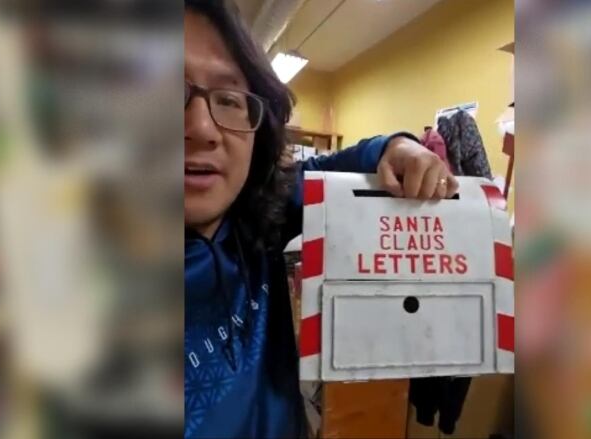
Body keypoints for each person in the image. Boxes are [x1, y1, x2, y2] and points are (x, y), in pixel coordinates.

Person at [184, 0, 458, 437]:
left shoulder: (262, 212)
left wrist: (398, 147)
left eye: (229, 99)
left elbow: (345, 165)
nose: (201, 126)